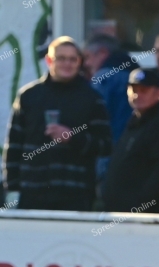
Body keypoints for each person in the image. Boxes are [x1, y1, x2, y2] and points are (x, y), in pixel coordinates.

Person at [3, 36, 111, 211]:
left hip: (76, 194)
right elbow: (14, 147)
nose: (67, 64)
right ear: (49, 60)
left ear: (80, 62)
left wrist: (72, 138)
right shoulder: (29, 96)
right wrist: (12, 188)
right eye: (61, 58)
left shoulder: (92, 99)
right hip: (32, 193)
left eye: (72, 59)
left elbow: (105, 146)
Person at [103, 69, 159, 213]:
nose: (137, 95)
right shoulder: (135, 122)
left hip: (150, 217)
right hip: (121, 213)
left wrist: (141, 204)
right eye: (133, 89)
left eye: (144, 90)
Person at [83, 34, 139, 143]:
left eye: (88, 57)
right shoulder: (136, 74)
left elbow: (93, 114)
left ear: (103, 53)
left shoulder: (103, 78)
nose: (86, 63)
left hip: (110, 146)